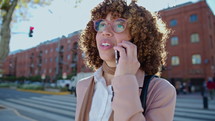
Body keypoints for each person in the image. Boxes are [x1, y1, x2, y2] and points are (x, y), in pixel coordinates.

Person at [75, 0, 176, 121]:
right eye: (102, 24)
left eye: (119, 25)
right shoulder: (83, 85)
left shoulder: (160, 90)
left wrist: (126, 78)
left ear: (137, 38)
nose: (105, 32)